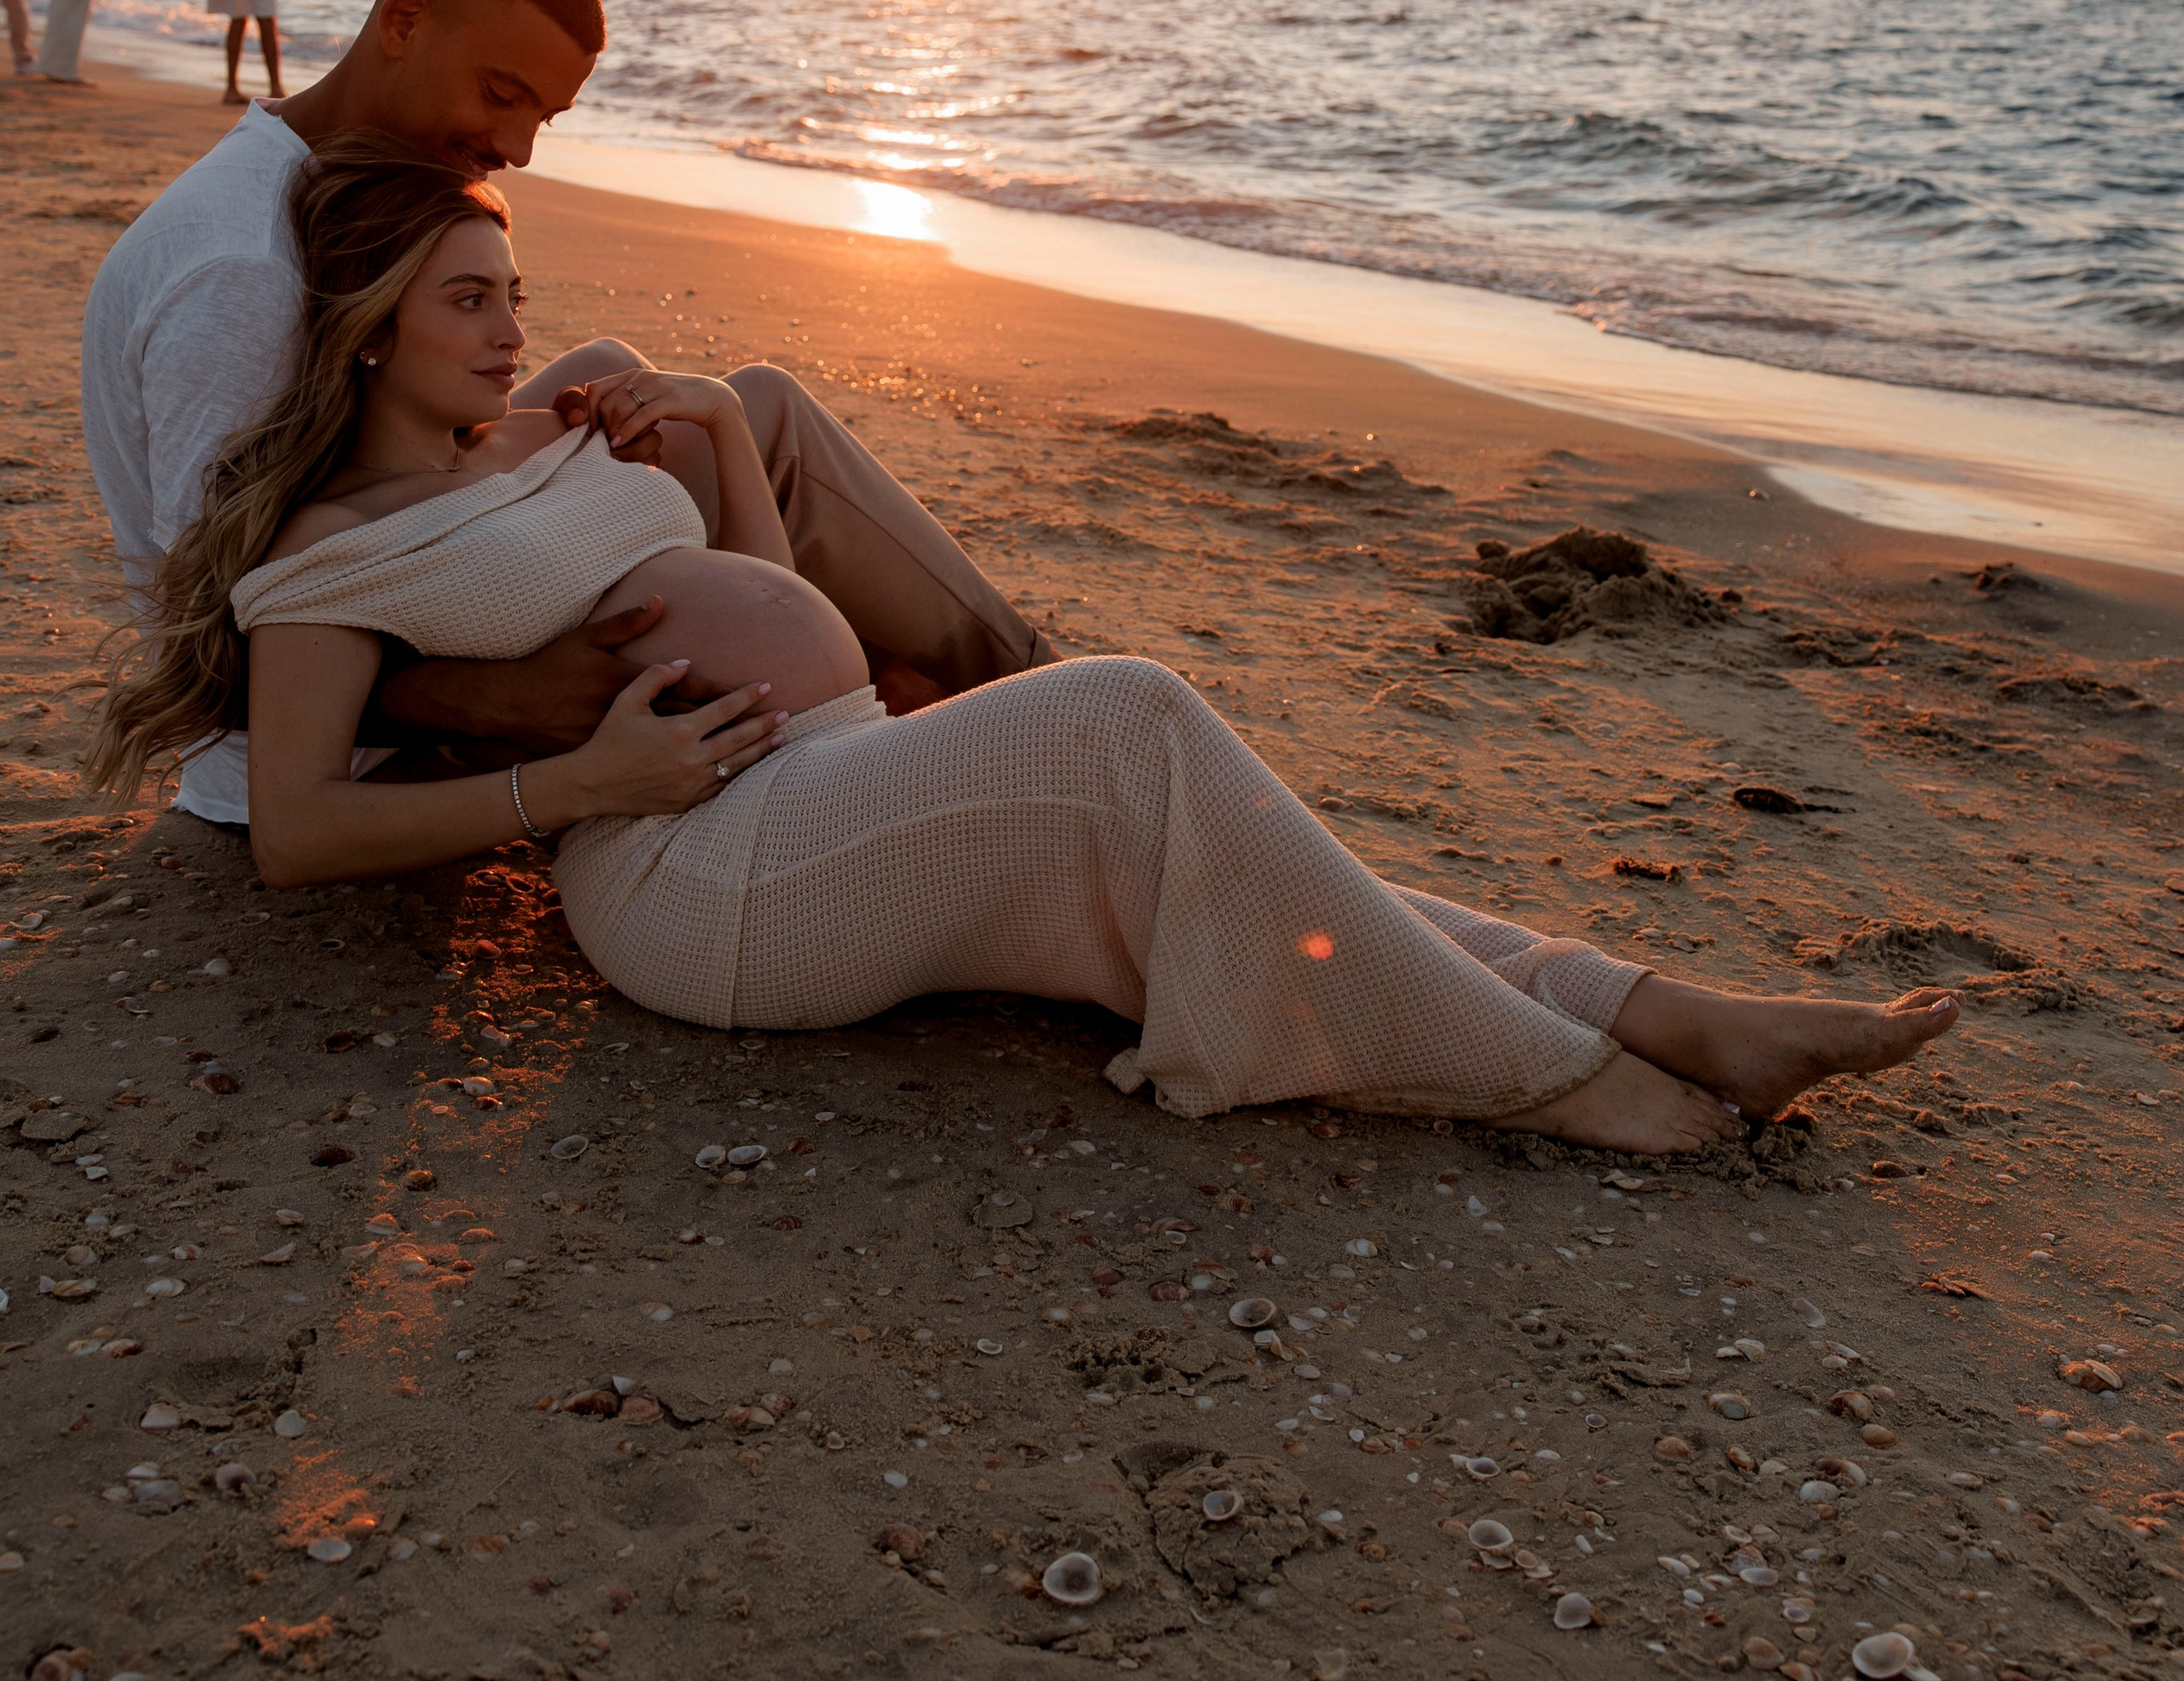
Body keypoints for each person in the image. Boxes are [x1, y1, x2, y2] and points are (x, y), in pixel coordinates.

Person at [94, 143, 1963, 1155]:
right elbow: (302, 826)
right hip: (694, 880)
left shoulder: (558, 429)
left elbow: (782, 607)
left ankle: (1650, 1011)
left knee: (1211, 832)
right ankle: (1557, 1077)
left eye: (513, 288)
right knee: (1131, 717)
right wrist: (576, 782)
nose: (511, 331)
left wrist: (725, 445)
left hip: (825, 786)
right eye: (465, 303)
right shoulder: (332, 553)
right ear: (364, 329)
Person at [79, 0, 1055, 828]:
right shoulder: (240, 270)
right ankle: (1039, 694)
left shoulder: (321, 176)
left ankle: (966, 685)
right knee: (752, 425)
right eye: (502, 96)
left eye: (544, 116)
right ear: (403, 24)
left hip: (404, 608)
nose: (517, 148)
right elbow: (208, 627)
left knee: (674, 393)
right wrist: (493, 700)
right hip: (355, 756)